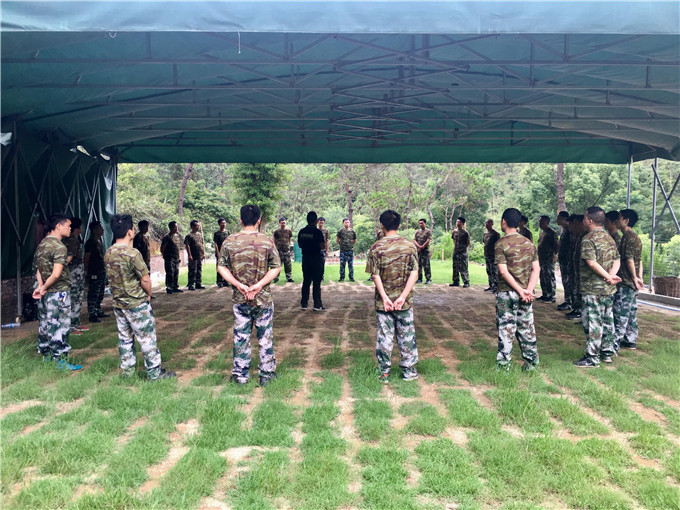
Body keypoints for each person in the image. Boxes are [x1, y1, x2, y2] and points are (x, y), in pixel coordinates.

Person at [105, 214, 175, 380]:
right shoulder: (132, 253)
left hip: (119, 303)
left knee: (125, 339)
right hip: (136, 303)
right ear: (130, 231)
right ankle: (154, 373)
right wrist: (148, 294)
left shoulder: (109, 252)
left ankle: (127, 372)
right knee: (147, 338)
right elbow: (145, 279)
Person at [217, 205, 282, 386]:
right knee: (265, 337)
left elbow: (221, 267)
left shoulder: (229, 241)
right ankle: (266, 375)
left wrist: (239, 285)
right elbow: (276, 267)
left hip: (240, 298)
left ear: (240, 220)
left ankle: (240, 376)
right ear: (259, 220)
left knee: (241, 337)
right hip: (263, 299)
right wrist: (258, 286)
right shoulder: (267, 241)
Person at [366, 210, 419, 383]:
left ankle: (384, 373)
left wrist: (385, 298)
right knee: (407, 336)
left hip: (384, 304)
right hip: (405, 302)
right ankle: (409, 372)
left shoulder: (376, 248)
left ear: (382, 225)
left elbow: (375, 275)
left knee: (384, 337)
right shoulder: (410, 246)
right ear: (399, 225)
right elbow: (415, 273)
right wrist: (403, 297)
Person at [32, 213, 83, 370]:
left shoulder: (42, 244)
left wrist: (41, 287)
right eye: (68, 225)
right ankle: (60, 359)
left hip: (46, 293)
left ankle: (46, 355)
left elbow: (39, 269)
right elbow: (56, 274)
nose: (70, 228)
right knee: (61, 325)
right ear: (58, 226)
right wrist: (44, 288)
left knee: (46, 323)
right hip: (59, 292)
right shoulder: (59, 247)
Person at [494, 208, 540, 372]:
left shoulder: (501, 244)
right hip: (526, 293)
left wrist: (520, 291)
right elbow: (536, 269)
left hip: (507, 293)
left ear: (504, 222)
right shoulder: (529, 244)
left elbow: (503, 271)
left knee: (506, 329)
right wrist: (528, 290)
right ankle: (531, 363)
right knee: (527, 328)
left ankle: (503, 367)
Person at [574, 207, 621, 368]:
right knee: (608, 321)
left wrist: (608, 276)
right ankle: (607, 353)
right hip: (608, 289)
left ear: (590, 220)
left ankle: (592, 357)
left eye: (584, 218)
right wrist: (611, 276)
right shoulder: (609, 238)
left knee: (592, 321)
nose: (583, 221)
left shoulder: (588, 239)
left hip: (592, 289)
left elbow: (591, 262)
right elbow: (617, 259)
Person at [614, 209, 644, 350]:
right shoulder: (635, 237)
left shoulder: (628, 237)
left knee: (621, 312)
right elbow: (639, 260)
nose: (616, 221)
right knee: (631, 312)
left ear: (626, 221)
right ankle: (630, 339)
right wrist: (639, 277)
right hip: (633, 282)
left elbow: (630, 259)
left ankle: (615, 342)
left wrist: (634, 277)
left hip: (626, 282)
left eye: (619, 218)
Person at [63, 217, 89, 335]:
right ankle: (71, 325)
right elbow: (69, 258)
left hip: (77, 271)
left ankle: (76, 323)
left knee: (78, 297)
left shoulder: (75, 239)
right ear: (77, 228)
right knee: (73, 297)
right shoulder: (71, 240)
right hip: (73, 272)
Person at [298, 211, 327, 311]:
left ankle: (304, 304)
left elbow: (300, 245)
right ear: (316, 221)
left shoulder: (302, 231)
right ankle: (317, 305)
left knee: (306, 281)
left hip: (306, 259)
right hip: (316, 259)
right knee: (316, 282)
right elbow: (322, 246)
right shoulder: (318, 232)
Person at [84, 220, 110, 323]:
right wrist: (87, 271)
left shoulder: (99, 241)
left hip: (101, 271)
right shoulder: (91, 242)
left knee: (100, 291)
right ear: (94, 230)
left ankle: (98, 309)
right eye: (100, 228)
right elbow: (87, 257)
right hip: (94, 271)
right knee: (93, 292)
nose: (102, 230)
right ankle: (92, 313)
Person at [566, 215, 585, 320]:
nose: (573, 226)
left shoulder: (585, 237)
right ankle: (576, 308)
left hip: (581, 270)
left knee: (579, 290)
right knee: (575, 288)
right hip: (575, 268)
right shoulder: (577, 236)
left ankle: (579, 310)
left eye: (575, 223)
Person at [537, 215, 559, 303]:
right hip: (541, 258)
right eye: (539, 222)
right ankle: (545, 294)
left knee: (549, 276)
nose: (540, 223)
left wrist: (555, 256)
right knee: (542, 276)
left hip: (549, 258)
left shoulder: (552, 233)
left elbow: (556, 246)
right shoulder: (542, 232)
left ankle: (551, 296)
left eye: (542, 222)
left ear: (547, 222)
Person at [160, 221, 184, 294]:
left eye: (177, 227)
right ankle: (169, 287)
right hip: (169, 258)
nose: (177, 228)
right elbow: (162, 248)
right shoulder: (167, 237)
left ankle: (175, 287)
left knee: (176, 272)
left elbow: (177, 247)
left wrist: (179, 257)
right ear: (171, 228)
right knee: (170, 273)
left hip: (176, 257)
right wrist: (164, 255)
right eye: (175, 227)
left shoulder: (177, 236)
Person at [556, 211, 572, 311]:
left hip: (568, 261)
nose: (557, 220)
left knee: (568, 281)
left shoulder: (570, 230)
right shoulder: (565, 230)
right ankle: (567, 300)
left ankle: (569, 302)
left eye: (559, 218)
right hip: (563, 260)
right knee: (565, 281)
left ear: (564, 219)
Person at [184, 220, 206, 291]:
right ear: (192, 226)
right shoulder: (189, 236)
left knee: (199, 270)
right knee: (192, 270)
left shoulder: (199, 234)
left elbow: (202, 244)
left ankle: (198, 284)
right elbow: (187, 245)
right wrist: (189, 255)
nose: (198, 227)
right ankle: (191, 284)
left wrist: (203, 253)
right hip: (193, 256)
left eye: (198, 225)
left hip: (199, 255)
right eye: (196, 225)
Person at [450, 216, 470, 288]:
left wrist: (462, 248)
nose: (458, 223)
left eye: (459, 222)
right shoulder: (454, 232)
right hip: (455, 252)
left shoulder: (465, 233)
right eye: (457, 222)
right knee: (455, 267)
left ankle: (466, 282)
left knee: (463, 267)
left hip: (462, 253)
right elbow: (454, 240)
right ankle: (456, 281)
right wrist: (456, 248)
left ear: (463, 224)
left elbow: (468, 242)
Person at [273, 217, 294, 283]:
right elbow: (274, 240)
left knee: (288, 265)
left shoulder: (288, 231)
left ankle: (289, 277)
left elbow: (289, 239)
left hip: (286, 250)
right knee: (278, 265)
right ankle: (276, 278)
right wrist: (275, 249)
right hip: (279, 251)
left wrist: (288, 246)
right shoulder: (276, 232)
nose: (283, 224)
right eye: (282, 223)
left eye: (284, 223)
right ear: (279, 223)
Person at [336, 218, 357, 282]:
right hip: (343, 251)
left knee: (351, 265)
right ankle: (342, 277)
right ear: (343, 223)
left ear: (349, 223)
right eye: (345, 222)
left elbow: (355, 240)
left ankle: (351, 277)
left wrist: (350, 245)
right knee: (342, 265)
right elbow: (337, 240)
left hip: (350, 250)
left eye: (348, 222)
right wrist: (342, 245)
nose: (347, 223)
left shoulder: (353, 231)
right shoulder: (340, 231)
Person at [483, 219, 501, 292]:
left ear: (491, 224)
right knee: (489, 271)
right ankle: (491, 285)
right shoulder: (485, 234)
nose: (486, 224)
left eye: (488, 223)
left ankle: (496, 287)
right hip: (487, 255)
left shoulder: (495, 234)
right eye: (485, 223)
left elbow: (498, 245)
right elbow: (485, 243)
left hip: (493, 256)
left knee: (494, 271)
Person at [414, 218, 432, 284]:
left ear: (425, 223)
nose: (420, 224)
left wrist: (422, 247)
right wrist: (418, 246)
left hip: (425, 251)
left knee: (426, 265)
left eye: (422, 223)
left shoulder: (428, 231)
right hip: (418, 251)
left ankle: (428, 279)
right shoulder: (417, 232)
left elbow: (428, 240)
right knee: (419, 265)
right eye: (419, 223)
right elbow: (414, 240)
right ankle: (419, 279)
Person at [213, 218, 231, 287]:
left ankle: (226, 281)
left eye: (224, 223)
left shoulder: (227, 232)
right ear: (219, 224)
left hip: (226, 252)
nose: (223, 224)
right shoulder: (216, 233)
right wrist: (217, 252)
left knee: (227, 267)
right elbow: (215, 243)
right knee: (220, 266)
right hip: (220, 252)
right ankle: (219, 281)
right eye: (222, 223)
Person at [317, 216, 330, 281]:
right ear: (317, 222)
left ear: (324, 223)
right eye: (320, 222)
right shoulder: (315, 230)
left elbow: (327, 240)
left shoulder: (326, 231)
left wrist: (327, 251)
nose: (321, 224)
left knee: (322, 264)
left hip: (323, 250)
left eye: (322, 222)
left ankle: (321, 277)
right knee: (314, 264)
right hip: (315, 250)